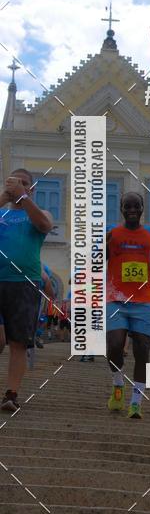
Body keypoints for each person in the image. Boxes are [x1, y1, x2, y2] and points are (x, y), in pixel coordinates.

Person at [106, 192, 150, 419]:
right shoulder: (113, 234)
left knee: (142, 348)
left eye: (136, 206)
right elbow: (97, 260)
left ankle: (136, 401)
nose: (132, 209)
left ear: (142, 209)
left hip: (144, 299)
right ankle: (118, 383)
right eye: (127, 206)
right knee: (115, 344)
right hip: (116, 297)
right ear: (121, 208)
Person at [0, 169, 53, 412]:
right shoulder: (1, 212)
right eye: (14, 183)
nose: (19, 186)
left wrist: (23, 198)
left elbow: (44, 225)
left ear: (31, 189)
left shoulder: (38, 214)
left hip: (25, 283)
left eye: (24, 184)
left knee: (18, 342)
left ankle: (11, 394)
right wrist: (5, 197)